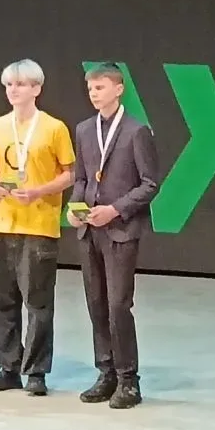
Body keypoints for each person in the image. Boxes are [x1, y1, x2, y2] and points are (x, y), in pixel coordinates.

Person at [0, 59, 75, 396]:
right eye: (8, 85)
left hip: (39, 224)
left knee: (37, 302)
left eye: (20, 84)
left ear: (36, 88)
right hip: (3, 222)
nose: (13, 90)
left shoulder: (54, 128)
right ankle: (8, 366)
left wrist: (38, 191)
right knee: (0, 299)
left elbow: (69, 173)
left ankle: (36, 371)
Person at [66, 63, 160, 409]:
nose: (94, 93)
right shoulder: (84, 130)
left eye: (101, 87)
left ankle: (128, 380)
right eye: (91, 88)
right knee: (96, 303)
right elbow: (81, 178)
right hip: (89, 229)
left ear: (119, 89)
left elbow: (150, 184)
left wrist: (116, 209)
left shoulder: (137, 131)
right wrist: (74, 207)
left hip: (120, 230)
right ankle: (105, 373)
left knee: (118, 304)